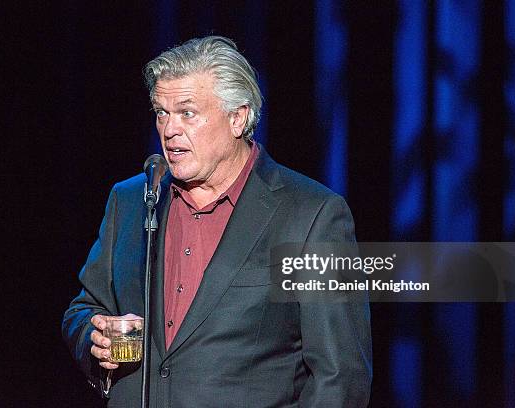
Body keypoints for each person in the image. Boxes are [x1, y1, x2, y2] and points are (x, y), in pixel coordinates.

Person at [62, 35, 372, 407]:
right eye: (161, 112)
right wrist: (94, 338)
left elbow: (340, 378)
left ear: (237, 117)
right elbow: (84, 309)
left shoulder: (312, 216)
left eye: (187, 112)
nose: (169, 129)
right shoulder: (130, 200)